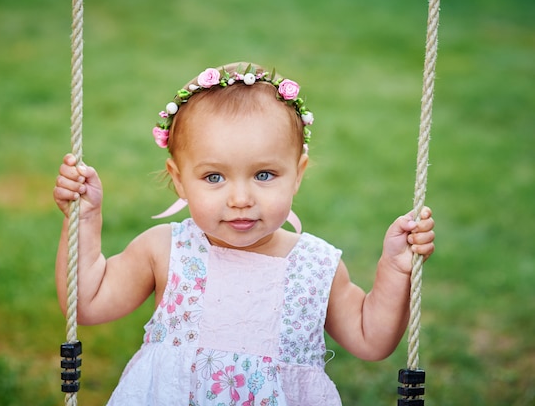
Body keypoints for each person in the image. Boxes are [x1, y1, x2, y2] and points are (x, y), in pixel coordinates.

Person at [53, 62, 435, 405]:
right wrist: (83, 220)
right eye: (213, 177)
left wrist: (396, 270)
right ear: (179, 180)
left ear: (298, 173)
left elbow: (371, 339)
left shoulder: (315, 265)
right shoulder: (165, 249)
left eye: (264, 175)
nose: (240, 199)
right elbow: (86, 303)